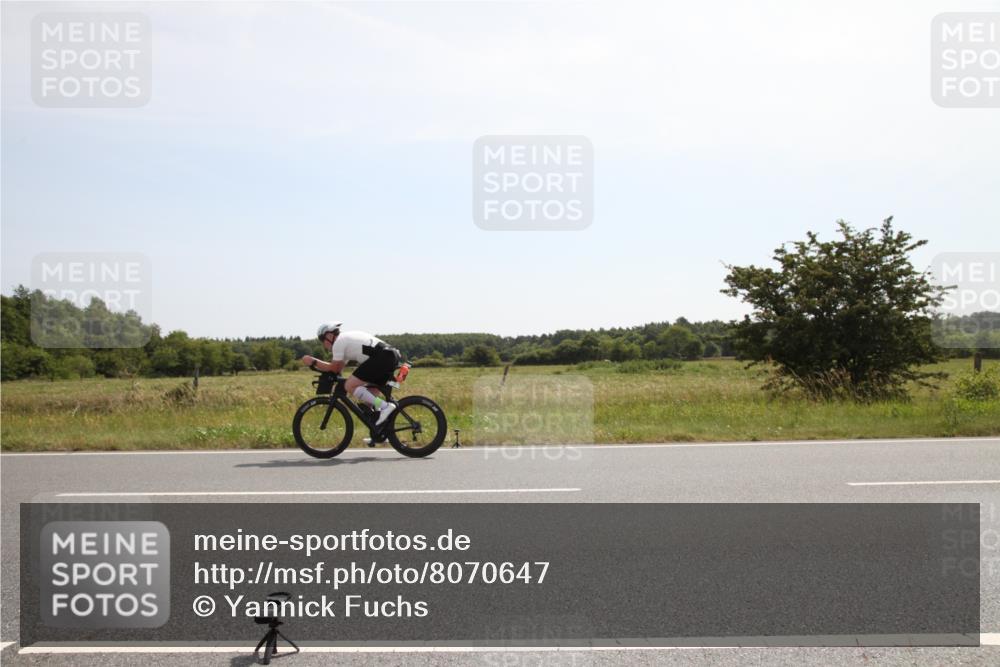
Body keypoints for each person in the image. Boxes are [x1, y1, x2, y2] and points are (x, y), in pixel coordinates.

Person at [301, 322, 399, 425]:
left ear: (329, 335)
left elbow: (334, 368)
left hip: (382, 357)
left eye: (322, 340)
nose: (323, 344)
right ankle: (380, 433)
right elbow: (338, 369)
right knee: (370, 399)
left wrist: (314, 361)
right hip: (389, 356)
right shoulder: (346, 340)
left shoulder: (339, 342)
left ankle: (385, 406)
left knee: (349, 385)